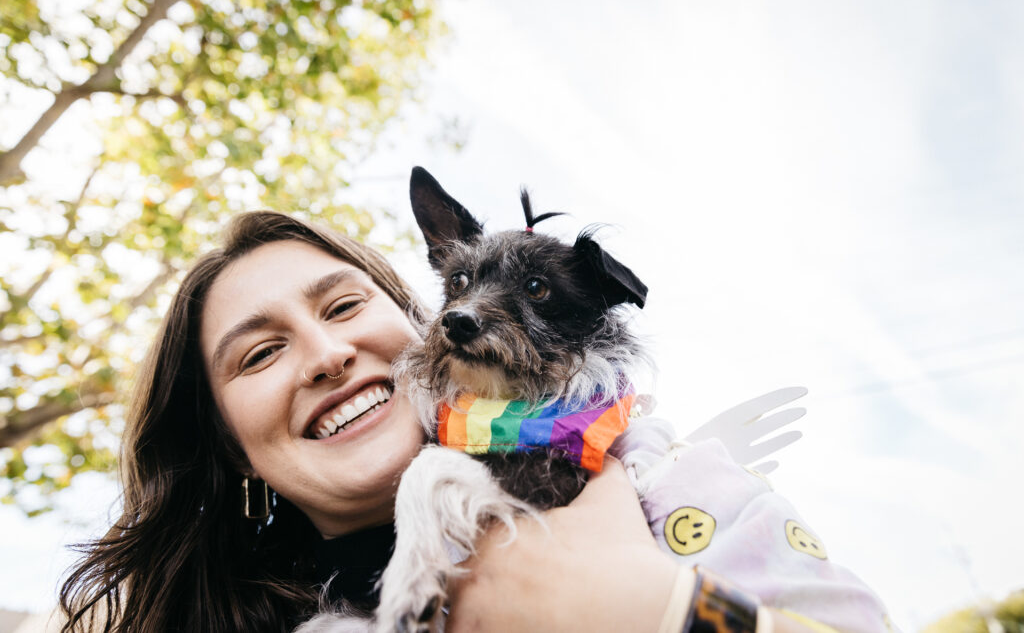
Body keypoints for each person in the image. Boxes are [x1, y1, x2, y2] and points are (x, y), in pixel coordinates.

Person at [59, 210, 889, 633]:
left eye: (344, 305)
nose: (325, 353)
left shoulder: (659, 480)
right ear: (225, 447)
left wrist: (665, 609)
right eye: (259, 354)